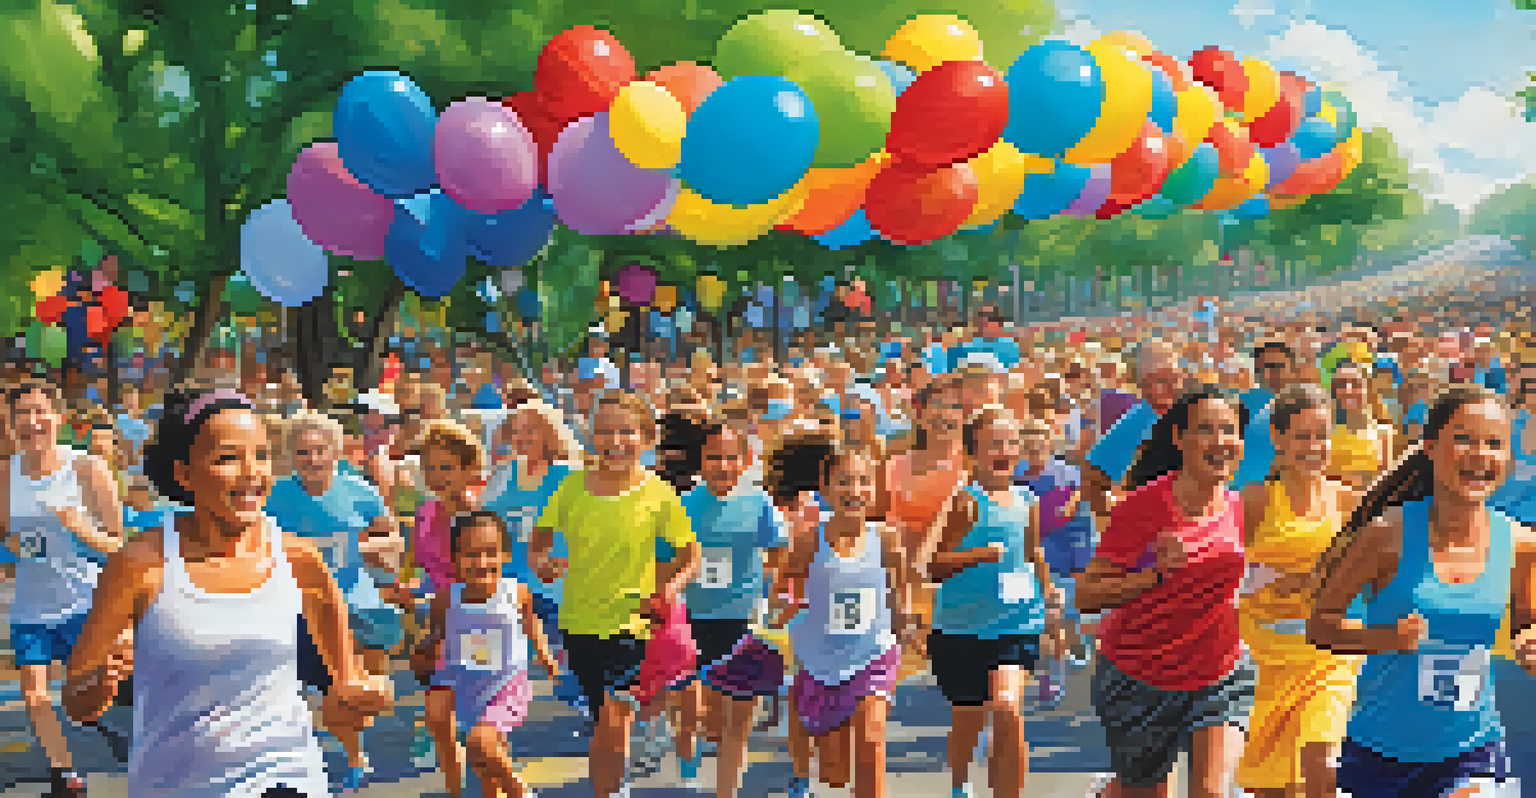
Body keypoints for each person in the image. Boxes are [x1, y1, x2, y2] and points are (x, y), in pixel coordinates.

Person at [62, 387, 392, 798]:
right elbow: (76, 703)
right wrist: (99, 682)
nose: (252, 472)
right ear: (184, 474)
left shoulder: (300, 560)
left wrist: (365, 696)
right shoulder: (140, 563)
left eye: (261, 455)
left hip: (287, 776)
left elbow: (348, 688)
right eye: (228, 458)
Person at [1309, 384, 1532, 798]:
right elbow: (1321, 626)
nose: (1480, 455)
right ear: (1430, 447)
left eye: (1494, 444)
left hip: (1473, 750)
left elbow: (1526, 625)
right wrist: (1387, 638)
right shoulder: (1385, 535)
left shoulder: (1521, 545)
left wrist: (1529, 642)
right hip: (1378, 753)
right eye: (1463, 439)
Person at [1076, 387, 1255, 798]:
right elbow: (1086, 595)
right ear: (1179, 439)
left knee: (1211, 792)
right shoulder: (1142, 508)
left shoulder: (1238, 505)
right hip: (1140, 677)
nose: (1220, 441)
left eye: (1228, 430)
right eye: (1205, 430)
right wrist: (1154, 576)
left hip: (1218, 673)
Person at [531, 391, 699, 798]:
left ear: (644, 438)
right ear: (591, 437)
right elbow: (539, 540)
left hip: (633, 623)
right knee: (602, 719)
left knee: (616, 713)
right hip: (578, 622)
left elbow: (690, 555)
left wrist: (668, 591)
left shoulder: (658, 492)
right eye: (605, 431)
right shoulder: (571, 487)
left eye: (626, 431)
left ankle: (615, 788)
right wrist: (542, 561)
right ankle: (608, 789)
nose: (615, 441)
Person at [774, 439, 920, 798]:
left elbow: (900, 587)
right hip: (820, 658)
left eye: (862, 481)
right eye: (844, 481)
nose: (854, 490)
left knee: (871, 742)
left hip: (873, 653)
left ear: (873, 488)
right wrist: (784, 606)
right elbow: (783, 583)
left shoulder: (885, 538)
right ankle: (806, 773)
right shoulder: (810, 540)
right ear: (825, 488)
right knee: (835, 774)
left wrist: (907, 623)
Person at [264, 412, 403, 792]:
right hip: (295, 608)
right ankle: (325, 759)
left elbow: (392, 538)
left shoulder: (359, 491)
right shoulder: (275, 495)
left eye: (319, 450)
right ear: (292, 456)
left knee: (351, 695)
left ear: (335, 452)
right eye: (302, 452)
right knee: (302, 694)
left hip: (354, 606)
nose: (311, 459)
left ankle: (356, 753)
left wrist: (366, 548)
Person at [2, 381, 128, 797]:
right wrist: (11, 547)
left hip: (84, 606)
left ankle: (122, 740)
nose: (31, 422)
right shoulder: (5, 475)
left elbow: (120, 545)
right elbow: (4, 539)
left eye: (39, 411)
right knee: (36, 694)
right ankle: (65, 776)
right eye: (21, 414)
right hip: (30, 609)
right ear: (10, 423)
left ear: (58, 417)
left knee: (89, 698)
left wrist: (80, 529)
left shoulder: (87, 469)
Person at [1237, 385, 1362, 798]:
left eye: (1321, 435)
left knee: (1322, 769)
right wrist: (1270, 579)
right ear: (1278, 438)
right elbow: (1218, 570)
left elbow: (1376, 566)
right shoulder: (1253, 501)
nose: (1314, 447)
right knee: (1274, 791)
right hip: (1263, 662)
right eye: (1302, 436)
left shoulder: (1347, 502)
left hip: (1327, 660)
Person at [929, 407, 1059, 798]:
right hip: (961, 631)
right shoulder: (965, 503)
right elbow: (935, 567)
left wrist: (1050, 598)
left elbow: (1033, 552)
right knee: (968, 720)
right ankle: (958, 784)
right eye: (994, 444)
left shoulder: (1027, 499)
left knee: (1006, 707)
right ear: (972, 454)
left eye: (1011, 443)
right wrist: (978, 555)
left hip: (1017, 624)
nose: (1005, 450)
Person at [674, 422, 791, 796]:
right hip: (693, 618)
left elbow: (778, 549)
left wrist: (768, 589)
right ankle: (686, 743)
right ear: (701, 461)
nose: (722, 465)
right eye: (713, 457)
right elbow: (667, 557)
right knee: (706, 717)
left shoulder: (758, 502)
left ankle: (727, 792)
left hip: (742, 620)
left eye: (730, 457)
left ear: (744, 461)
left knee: (737, 720)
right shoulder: (684, 504)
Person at [413, 511, 560, 798]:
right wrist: (425, 652)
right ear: (455, 559)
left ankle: (520, 793)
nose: (481, 562)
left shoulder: (516, 593)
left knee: (481, 742)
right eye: (470, 554)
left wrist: (546, 657)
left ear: (505, 555)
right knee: (484, 763)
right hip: (467, 685)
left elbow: (531, 623)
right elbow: (437, 636)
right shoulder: (445, 599)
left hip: (507, 685)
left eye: (490, 552)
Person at [480, 402, 587, 716]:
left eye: (531, 429)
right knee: (503, 655)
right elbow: (483, 520)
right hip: (509, 582)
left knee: (574, 657)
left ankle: (584, 702)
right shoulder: (503, 474)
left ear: (548, 432)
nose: (522, 437)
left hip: (557, 582)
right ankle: (492, 713)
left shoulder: (570, 475)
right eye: (517, 430)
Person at [412, 419, 492, 797]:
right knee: (440, 723)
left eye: (446, 467)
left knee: (482, 733)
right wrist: (407, 589)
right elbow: (421, 568)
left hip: (479, 626)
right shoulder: (425, 512)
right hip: (438, 627)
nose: (437, 475)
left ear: (467, 469)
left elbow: (487, 577)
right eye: (430, 467)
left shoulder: (476, 517)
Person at [1328, 360, 1395, 491]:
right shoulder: (1325, 434)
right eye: (1341, 385)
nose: (1348, 390)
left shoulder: (1384, 434)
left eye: (1355, 384)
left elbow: (1386, 486)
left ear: (1369, 388)